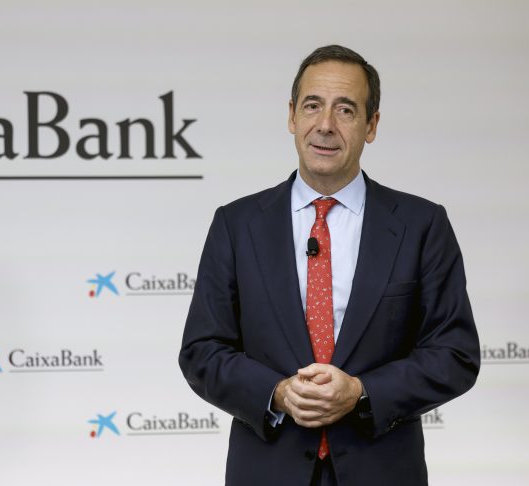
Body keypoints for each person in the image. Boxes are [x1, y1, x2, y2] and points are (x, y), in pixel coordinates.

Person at [178, 45, 480, 486]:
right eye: (312, 106)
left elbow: (454, 354)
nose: (325, 125)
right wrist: (278, 394)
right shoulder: (236, 224)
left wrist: (361, 392)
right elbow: (202, 351)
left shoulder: (422, 225)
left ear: (371, 125)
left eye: (345, 109)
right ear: (291, 116)